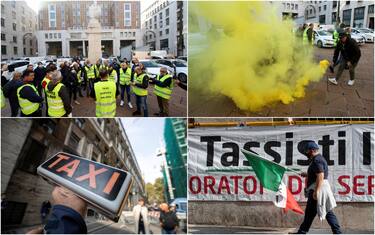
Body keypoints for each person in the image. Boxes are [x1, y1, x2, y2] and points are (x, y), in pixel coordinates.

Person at [294, 141, 341, 234]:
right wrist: (307, 174)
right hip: (318, 188)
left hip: (318, 188)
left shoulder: (316, 160)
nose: (306, 154)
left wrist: (317, 191)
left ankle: (337, 232)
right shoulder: (318, 159)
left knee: (326, 212)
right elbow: (318, 174)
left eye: (306, 151)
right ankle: (302, 231)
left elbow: (320, 175)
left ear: (311, 150)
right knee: (311, 213)